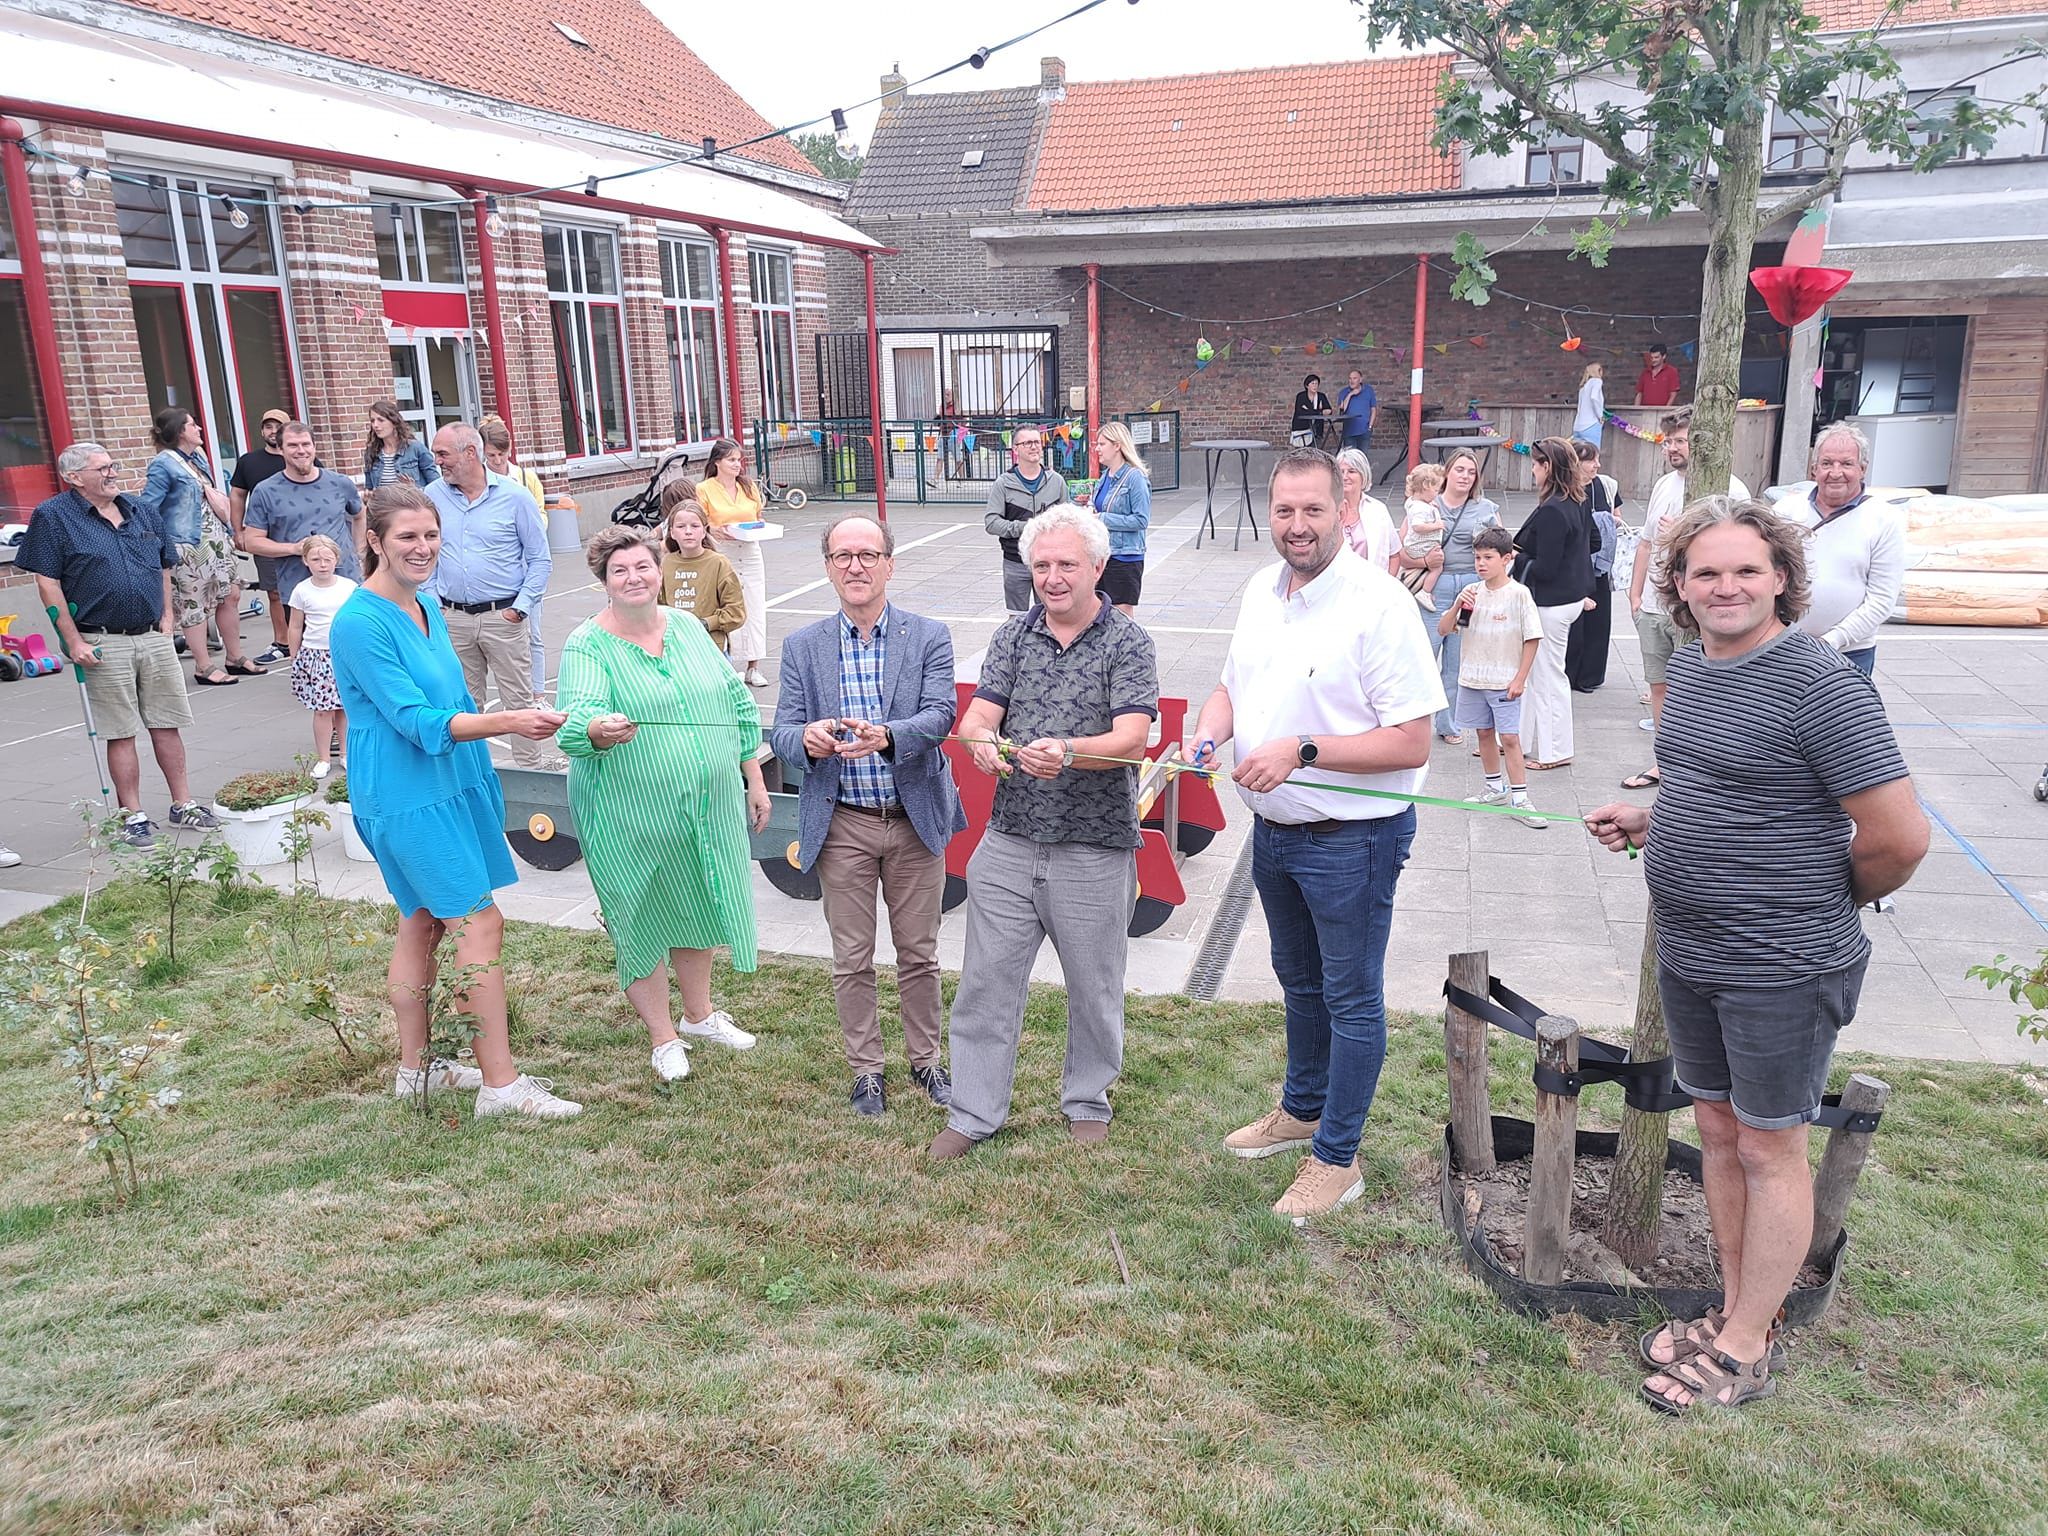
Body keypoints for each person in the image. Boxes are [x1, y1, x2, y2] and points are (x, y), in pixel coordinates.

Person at [1586, 496, 1927, 1415]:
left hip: (1781, 962)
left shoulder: (1820, 685)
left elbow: (1899, 837)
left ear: (1782, 578)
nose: (1726, 587)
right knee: (1722, 1135)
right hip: (1692, 950)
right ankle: (1741, 1309)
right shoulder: (1696, 669)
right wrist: (1653, 819)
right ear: (1680, 588)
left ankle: (1743, 1347)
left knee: (1772, 1149)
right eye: (1705, 573)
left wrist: (1820, 899)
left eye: (1746, 570)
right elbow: (1712, 784)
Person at [1189, 447, 1443, 1220]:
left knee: (1351, 999)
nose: (1298, 526)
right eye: (1285, 511)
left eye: (1313, 510)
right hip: (1275, 834)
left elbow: (1413, 741)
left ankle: (1337, 1158)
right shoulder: (1262, 591)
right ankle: (1301, 1109)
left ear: (1345, 509)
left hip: (1353, 842)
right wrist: (1209, 735)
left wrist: (1300, 751)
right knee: (1299, 985)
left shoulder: (1379, 604)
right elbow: (1232, 686)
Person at [330, 484, 579, 1119]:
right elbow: (416, 720)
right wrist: (513, 723)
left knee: (423, 921)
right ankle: (501, 1086)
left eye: (431, 535)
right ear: (375, 540)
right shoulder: (358, 622)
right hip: (409, 794)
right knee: (479, 921)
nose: (422, 547)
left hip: (451, 782)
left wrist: (534, 725)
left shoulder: (426, 606)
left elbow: (458, 702)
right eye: (407, 537)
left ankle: (416, 1074)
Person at [930, 507, 1159, 1160]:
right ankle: (974, 1112)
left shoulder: (1127, 642)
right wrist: (979, 741)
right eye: (1041, 566)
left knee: (1094, 985)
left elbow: (1132, 739)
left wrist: (1069, 751)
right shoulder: (1013, 636)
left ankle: (1087, 1100)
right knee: (984, 984)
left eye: (1065, 565)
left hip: (1095, 843)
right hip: (1008, 839)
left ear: (1096, 567)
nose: (1053, 579)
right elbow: (979, 713)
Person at [554, 528, 770, 1083]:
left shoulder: (690, 628)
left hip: (707, 806)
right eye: (620, 571)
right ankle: (663, 1037)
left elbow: (736, 702)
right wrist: (598, 729)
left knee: (698, 901)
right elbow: (576, 718)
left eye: (642, 567)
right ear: (604, 581)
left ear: (660, 570)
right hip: (627, 812)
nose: (634, 578)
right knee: (640, 914)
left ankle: (699, 1016)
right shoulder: (587, 644)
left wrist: (754, 776)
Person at [771, 515, 966, 1116]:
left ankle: (926, 1063)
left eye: (867, 555)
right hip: (844, 822)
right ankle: (867, 1071)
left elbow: (941, 717)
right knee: (851, 957)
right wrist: (807, 738)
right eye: (842, 556)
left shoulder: (927, 636)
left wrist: (886, 737)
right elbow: (779, 732)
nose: (855, 567)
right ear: (828, 566)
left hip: (912, 818)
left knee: (920, 953)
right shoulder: (802, 647)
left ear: (889, 563)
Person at [18, 443, 221, 849]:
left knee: (168, 723)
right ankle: (133, 814)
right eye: (102, 469)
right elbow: (47, 581)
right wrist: (72, 639)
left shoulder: (140, 510)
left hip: (153, 634)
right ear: (75, 478)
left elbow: (164, 565)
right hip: (101, 639)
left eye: (112, 466)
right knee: (121, 731)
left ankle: (183, 803)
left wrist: (167, 618)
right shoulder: (54, 517)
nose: (113, 473)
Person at [1625, 408, 1748, 789]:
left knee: (1701, 686)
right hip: (1653, 604)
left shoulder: (1732, 488)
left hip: (1695, 608)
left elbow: (1739, 552)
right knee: (1659, 684)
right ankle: (1663, 762)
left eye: (1682, 441)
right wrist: (1634, 592)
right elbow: (1646, 540)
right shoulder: (1664, 484)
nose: (1673, 449)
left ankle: (1704, 764)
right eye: (1670, 441)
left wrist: (1682, 533)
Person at [422, 423, 558, 769]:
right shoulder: (433, 495)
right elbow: (426, 550)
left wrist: (521, 608)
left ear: (470, 453)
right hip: (452, 618)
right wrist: (432, 601)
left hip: (504, 617)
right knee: (462, 703)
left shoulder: (515, 497)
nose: (437, 461)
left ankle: (530, 775)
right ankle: (471, 775)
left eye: (443, 454)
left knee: (518, 702)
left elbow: (539, 558)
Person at [139, 408, 262, 687]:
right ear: (179, 431)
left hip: (216, 541)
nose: (199, 429)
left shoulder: (198, 458)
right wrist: (156, 544)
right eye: (193, 425)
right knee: (194, 604)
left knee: (230, 595)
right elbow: (149, 506)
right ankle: (204, 666)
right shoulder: (163, 464)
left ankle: (235, 656)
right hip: (187, 545)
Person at [1778, 423, 1904, 680]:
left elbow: (1882, 599)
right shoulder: (1785, 512)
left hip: (1850, 651)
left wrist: (1832, 640)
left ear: (1862, 469)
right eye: (1827, 463)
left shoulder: (1885, 519)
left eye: (1846, 464)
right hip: (1784, 646)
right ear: (1814, 470)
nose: (1836, 473)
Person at [1439, 527, 1545, 827]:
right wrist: (1458, 603)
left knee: (1509, 737)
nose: (1481, 564)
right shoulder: (1472, 593)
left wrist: (1520, 678)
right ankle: (1494, 786)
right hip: (1473, 677)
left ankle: (1520, 796)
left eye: (1488, 557)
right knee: (1483, 733)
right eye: (1477, 558)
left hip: (1503, 679)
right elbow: (1446, 629)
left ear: (1506, 559)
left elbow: (1532, 637)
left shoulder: (1519, 594)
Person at [1399, 447, 1501, 744]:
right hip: (1433, 590)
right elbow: (1401, 553)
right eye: (1460, 470)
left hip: (1470, 590)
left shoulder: (1486, 508)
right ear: (1447, 472)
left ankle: (1448, 724)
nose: (1466, 477)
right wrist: (1424, 563)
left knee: (1456, 660)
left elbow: (1503, 550)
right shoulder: (1425, 505)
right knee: (1423, 655)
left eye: (1472, 472)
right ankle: (1408, 722)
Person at [1511, 437, 1596, 770]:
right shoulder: (1574, 500)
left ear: (1548, 467)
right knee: (1533, 673)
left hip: (1552, 602)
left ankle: (1556, 750)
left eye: (1535, 464)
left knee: (1547, 676)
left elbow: (1545, 568)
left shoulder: (1552, 510)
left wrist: (1516, 560)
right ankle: (1519, 739)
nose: (1532, 469)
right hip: (1568, 597)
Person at [242, 420, 365, 631]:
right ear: (280, 450)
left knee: (357, 648)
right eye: (293, 445)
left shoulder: (339, 483)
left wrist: (359, 551)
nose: (301, 451)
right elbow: (252, 542)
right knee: (309, 651)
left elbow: (360, 514)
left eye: (306, 444)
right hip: (298, 588)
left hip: (345, 583)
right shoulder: (266, 491)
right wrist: (293, 548)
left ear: (314, 447)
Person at [480, 413, 548, 694]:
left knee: (535, 633)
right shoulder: (481, 481)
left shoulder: (524, 477)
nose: (496, 461)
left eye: (501, 454)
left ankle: (539, 691)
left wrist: (528, 527)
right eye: (491, 455)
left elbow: (542, 513)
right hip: (501, 570)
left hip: (527, 564)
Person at [698, 437, 771, 687]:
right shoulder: (704, 489)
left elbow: (758, 516)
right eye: (731, 460)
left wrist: (757, 528)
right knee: (724, 604)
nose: (737, 465)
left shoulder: (748, 487)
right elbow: (701, 521)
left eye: (739, 460)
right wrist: (714, 529)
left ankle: (754, 666)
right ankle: (728, 662)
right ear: (717, 462)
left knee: (754, 605)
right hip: (723, 550)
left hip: (750, 548)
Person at [228, 407, 297, 665]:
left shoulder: (300, 456)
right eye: (268, 426)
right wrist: (238, 530)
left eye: (278, 426)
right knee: (275, 592)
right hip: (265, 537)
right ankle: (283, 642)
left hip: (300, 537)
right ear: (262, 431)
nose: (273, 431)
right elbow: (237, 495)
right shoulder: (249, 461)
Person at [286, 534, 356, 779]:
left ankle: (347, 754)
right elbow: (295, 625)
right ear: (306, 561)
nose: (322, 564)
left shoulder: (349, 587)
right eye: (316, 559)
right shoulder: (302, 590)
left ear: (336, 559)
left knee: (344, 707)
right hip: (316, 654)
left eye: (327, 559)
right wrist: (295, 657)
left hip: (344, 654)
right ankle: (324, 758)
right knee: (322, 710)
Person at [984, 423, 1068, 613]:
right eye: (1027, 442)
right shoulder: (1004, 483)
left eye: (1037, 442)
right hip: (1015, 561)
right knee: (1017, 619)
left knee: (1051, 614)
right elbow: (991, 522)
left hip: (1050, 561)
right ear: (1016, 449)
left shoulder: (1056, 481)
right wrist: (1026, 527)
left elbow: (1066, 519)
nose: (1034, 446)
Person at [658, 484, 744, 652]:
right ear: (672, 533)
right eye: (681, 527)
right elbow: (657, 605)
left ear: (704, 531)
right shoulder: (665, 564)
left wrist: (707, 623)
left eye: (695, 526)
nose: (688, 531)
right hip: (675, 647)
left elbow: (736, 612)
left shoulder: (719, 563)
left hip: (710, 648)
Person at [1565, 438, 1622, 692]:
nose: (1596, 465)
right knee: (1575, 620)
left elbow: (1617, 513)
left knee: (1599, 620)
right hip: (1575, 562)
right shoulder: (1565, 489)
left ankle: (1591, 675)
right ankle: (1569, 673)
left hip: (1601, 561)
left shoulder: (1606, 485)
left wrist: (1612, 522)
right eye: (1590, 460)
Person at [1090, 421, 1152, 613]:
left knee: (1121, 614)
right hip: (1104, 554)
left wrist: (1102, 518)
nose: (1097, 449)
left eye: (1102, 444)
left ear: (1117, 446)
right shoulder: (1105, 476)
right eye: (1097, 444)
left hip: (1125, 556)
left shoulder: (1135, 477)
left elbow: (1141, 520)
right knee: (1100, 612)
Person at [1398, 463, 1446, 609]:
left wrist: (1430, 504)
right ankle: (1425, 592)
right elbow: (1417, 527)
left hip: (1414, 545)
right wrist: (1436, 525)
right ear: (1425, 487)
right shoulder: (1420, 509)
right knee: (1438, 567)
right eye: (1436, 490)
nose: (1437, 494)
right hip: (1420, 546)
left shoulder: (1413, 501)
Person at [362, 399, 438, 490]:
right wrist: (367, 498)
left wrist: (415, 489)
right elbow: (369, 489)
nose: (375, 425)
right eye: (372, 421)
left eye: (381, 420)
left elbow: (435, 486)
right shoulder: (372, 452)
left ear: (394, 422)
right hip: (384, 504)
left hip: (412, 503)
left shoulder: (415, 448)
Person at [1336, 369, 1376, 459]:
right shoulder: (1344, 392)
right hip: (1349, 431)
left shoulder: (1369, 390)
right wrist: (1350, 394)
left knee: (1362, 458)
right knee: (1350, 459)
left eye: (1354, 378)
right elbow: (1343, 410)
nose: (1352, 381)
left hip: (1364, 429)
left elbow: (1373, 409)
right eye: (1350, 378)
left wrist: (1370, 426)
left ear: (1360, 379)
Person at [1290, 373, 1333, 449]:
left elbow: (1328, 410)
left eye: (1316, 384)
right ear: (1307, 385)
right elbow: (1301, 412)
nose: (1315, 386)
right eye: (1312, 383)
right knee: (1302, 453)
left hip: (1317, 429)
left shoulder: (1321, 396)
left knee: (1316, 451)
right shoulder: (1301, 396)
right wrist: (1319, 412)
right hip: (1302, 429)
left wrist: (1309, 410)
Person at [1634, 342, 1682, 408]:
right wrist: (1636, 410)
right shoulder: (1645, 372)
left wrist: (1666, 410)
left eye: (1656, 357)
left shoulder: (1672, 371)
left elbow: (1673, 394)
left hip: (1663, 411)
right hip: (1645, 411)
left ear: (1664, 356)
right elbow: (1639, 393)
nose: (1653, 360)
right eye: (1651, 357)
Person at [1573, 362, 1606, 446]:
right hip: (1591, 424)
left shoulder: (1583, 386)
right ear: (1599, 371)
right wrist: (1600, 416)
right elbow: (1594, 398)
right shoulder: (1597, 381)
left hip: (1578, 425)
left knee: (1578, 455)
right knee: (1593, 454)